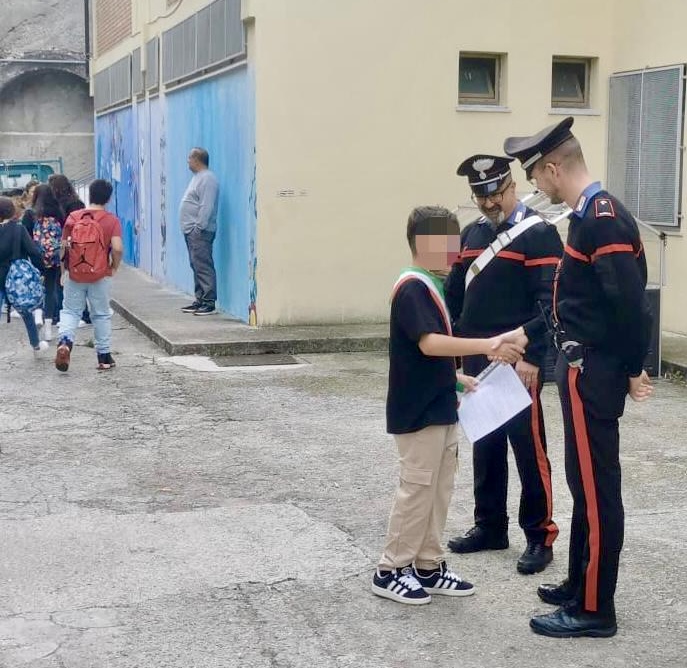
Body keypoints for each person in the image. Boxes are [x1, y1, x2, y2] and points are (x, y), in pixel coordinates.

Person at [504, 117, 653, 638]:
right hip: (581, 366)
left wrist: (633, 369)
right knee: (581, 483)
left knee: (597, 490)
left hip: (595, 371)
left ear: (552, 168)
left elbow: (631, 307)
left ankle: (594, 609)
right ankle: (577, 582)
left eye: (536, 177)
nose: (536, 188)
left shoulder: (602, 219)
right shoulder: (586, 217)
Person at [372, 205, 527, 606]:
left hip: (440, 403)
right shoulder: (413, 287)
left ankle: (427, 563)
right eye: (445, 242)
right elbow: (428, 343)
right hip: (418, 410)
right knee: (417, 489)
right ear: (422, 244)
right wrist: (487, 345)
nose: (455, 250)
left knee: (439, 488)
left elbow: (424, 355)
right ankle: (391, 569)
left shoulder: (432, 286)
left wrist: (456, 378)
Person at [444, 155, 563, 575]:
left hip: (517, 360)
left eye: (495, 192)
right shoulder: (470, 235)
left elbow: (551, 302)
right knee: (486, 443)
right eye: (480, 195)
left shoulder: (540, 234)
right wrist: (455, 348)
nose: (489, 202)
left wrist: (534, 357)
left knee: (529, 450)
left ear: (511, 186)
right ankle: (489, 525)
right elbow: (456, 296)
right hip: (478, 356)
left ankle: (539, 534)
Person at [55, 179, 123, 372]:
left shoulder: (73, 218)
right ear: (108, 198)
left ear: (90, 195)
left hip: (74, 274)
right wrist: (113, 266)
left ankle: (65, 343)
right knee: (101, 314)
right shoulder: (111, 220)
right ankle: (104, 357)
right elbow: (117, 248)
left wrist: (63, 272)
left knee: (70, 311)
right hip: (100, 274)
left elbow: (63, 248)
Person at [0, 197, 48, 357]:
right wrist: (40, 270)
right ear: (12, 211)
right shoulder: (18, 229)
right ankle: (35, 343)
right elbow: (33, 251)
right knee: (26, 311)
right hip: (17, 279)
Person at [179, 147, 219, 316]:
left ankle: (209, 302)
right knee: (196, 264)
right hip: (192, 231)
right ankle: (200, 299)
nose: (187, 161)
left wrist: (199, 227)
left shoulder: (207, 179)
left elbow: (206, 206)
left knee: (203, 265)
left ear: (197, 159)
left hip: (200, 232)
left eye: (189, 157)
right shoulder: (198, 178)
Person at [48, 173, 89, 326]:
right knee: (79, 280)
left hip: (61, 245)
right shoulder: (77, 203)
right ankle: (83, 313)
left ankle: (60, 313)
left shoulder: (54, 207)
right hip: (77, 245)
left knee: (61, 281)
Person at [31, 184, 64, 341]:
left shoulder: (32, 216)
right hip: (54, 258)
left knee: (37, 288)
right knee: (50, 290)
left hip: (36, 257)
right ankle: (49, 329)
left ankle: (38, 315)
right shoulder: (58, 215)